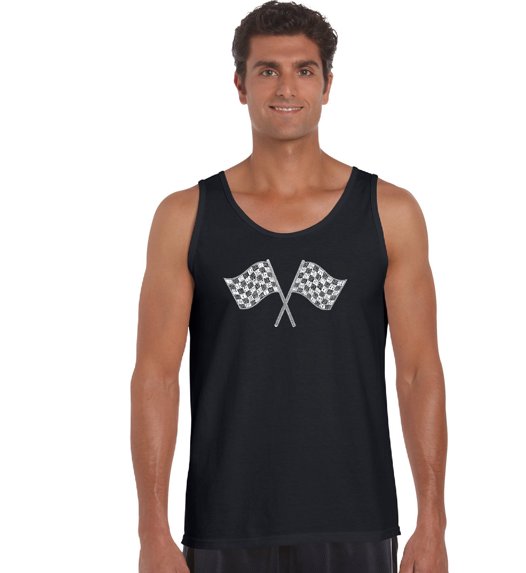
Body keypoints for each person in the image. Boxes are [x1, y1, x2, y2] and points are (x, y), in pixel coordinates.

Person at [130, 1, 449, 572]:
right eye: (267, 70)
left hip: (356, 519)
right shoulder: (185, 216)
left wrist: (434, 523)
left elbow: (419, 372)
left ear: (327, 86)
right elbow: (155, 377)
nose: (286, 87)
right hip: (225, 523)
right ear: (240, 85)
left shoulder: (390, 212)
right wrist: (151, 531)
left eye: (304, 70)